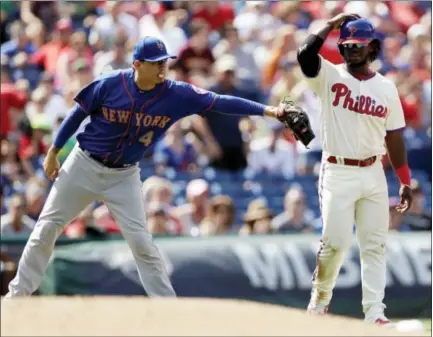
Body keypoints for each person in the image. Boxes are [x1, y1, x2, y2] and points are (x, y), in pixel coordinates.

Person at [6, 36, 294, 298]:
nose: (161, 69)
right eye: (155, 63)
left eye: (164, 63)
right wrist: (54, 151)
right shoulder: (110, 84)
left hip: (124, 174)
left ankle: (166, 308)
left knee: (142, 244)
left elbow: (220, 102)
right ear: (137, 64)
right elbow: (77, 113)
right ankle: (17, 297)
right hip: (84, 163)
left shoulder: (176, 94)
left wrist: (269, 111)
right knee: (46, 228)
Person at [297, 15, 413, 325]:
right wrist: (332, 22)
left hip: (374, 172)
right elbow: (305, 54)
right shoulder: (329, 75)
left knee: (374, 244)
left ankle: (375, 313)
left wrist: (404, 181)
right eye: (347, 45)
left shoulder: (386, 88)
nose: (352, 50)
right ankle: (318, 304)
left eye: (359, 45)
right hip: (338, 171)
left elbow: (395, 136)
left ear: (372, 47)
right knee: (334, 243)